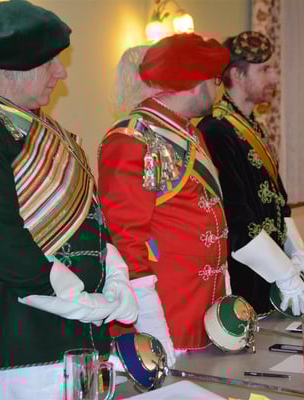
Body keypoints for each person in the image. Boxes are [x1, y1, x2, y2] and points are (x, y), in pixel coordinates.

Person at [0, 1, 139, 398]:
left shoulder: (43, 127)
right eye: (49, 63)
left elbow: (89, 216)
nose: (61, 73)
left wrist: (115, 270)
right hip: (22, 342)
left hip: (83, 335)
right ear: (12, 67)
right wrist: (65, 290)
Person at [98, 34, 231, 357]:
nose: (217, 90)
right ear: (194, 83)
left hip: (202, 310)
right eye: (214, 80)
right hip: (166, 318)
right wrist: (153, 325)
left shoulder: (188, 131)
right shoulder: (132, 138)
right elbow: (126, 239)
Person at [197, 31, 304, 317]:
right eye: (264, 70)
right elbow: (236, 220)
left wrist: (299, 255)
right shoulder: (215, 131)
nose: (274, 78)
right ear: (237, 75)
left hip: (271, 273)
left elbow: (279, 202)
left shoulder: (253, 128)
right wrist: (285, 272)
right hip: (242, 277)